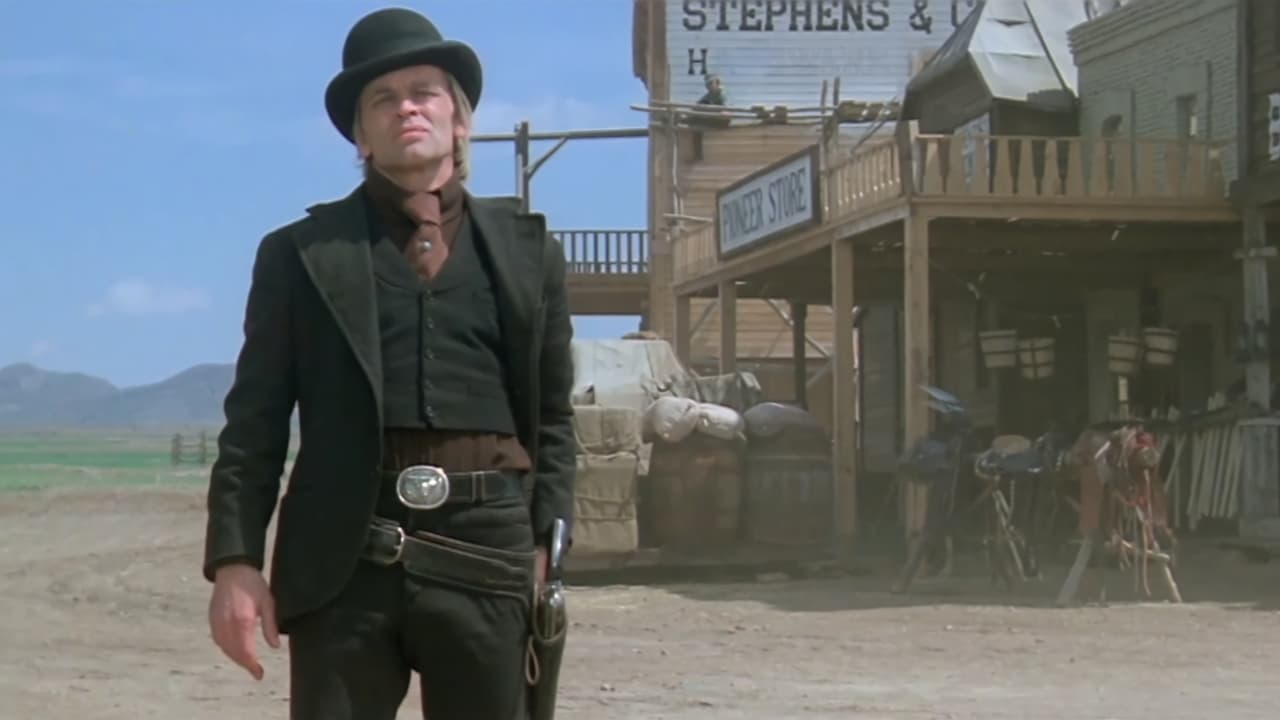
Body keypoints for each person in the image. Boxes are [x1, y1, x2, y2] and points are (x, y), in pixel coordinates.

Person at [201, 7, 576, 719]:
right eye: (383, 98)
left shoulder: (529, 252)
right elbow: (254, 423)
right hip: (344, 557)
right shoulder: (300, 255)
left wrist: (545, 548)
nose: (406, 107)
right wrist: (235, 560)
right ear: (360, 135)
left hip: (489, 551)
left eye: (424, 92)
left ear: (459, 121)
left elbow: (554, 416)